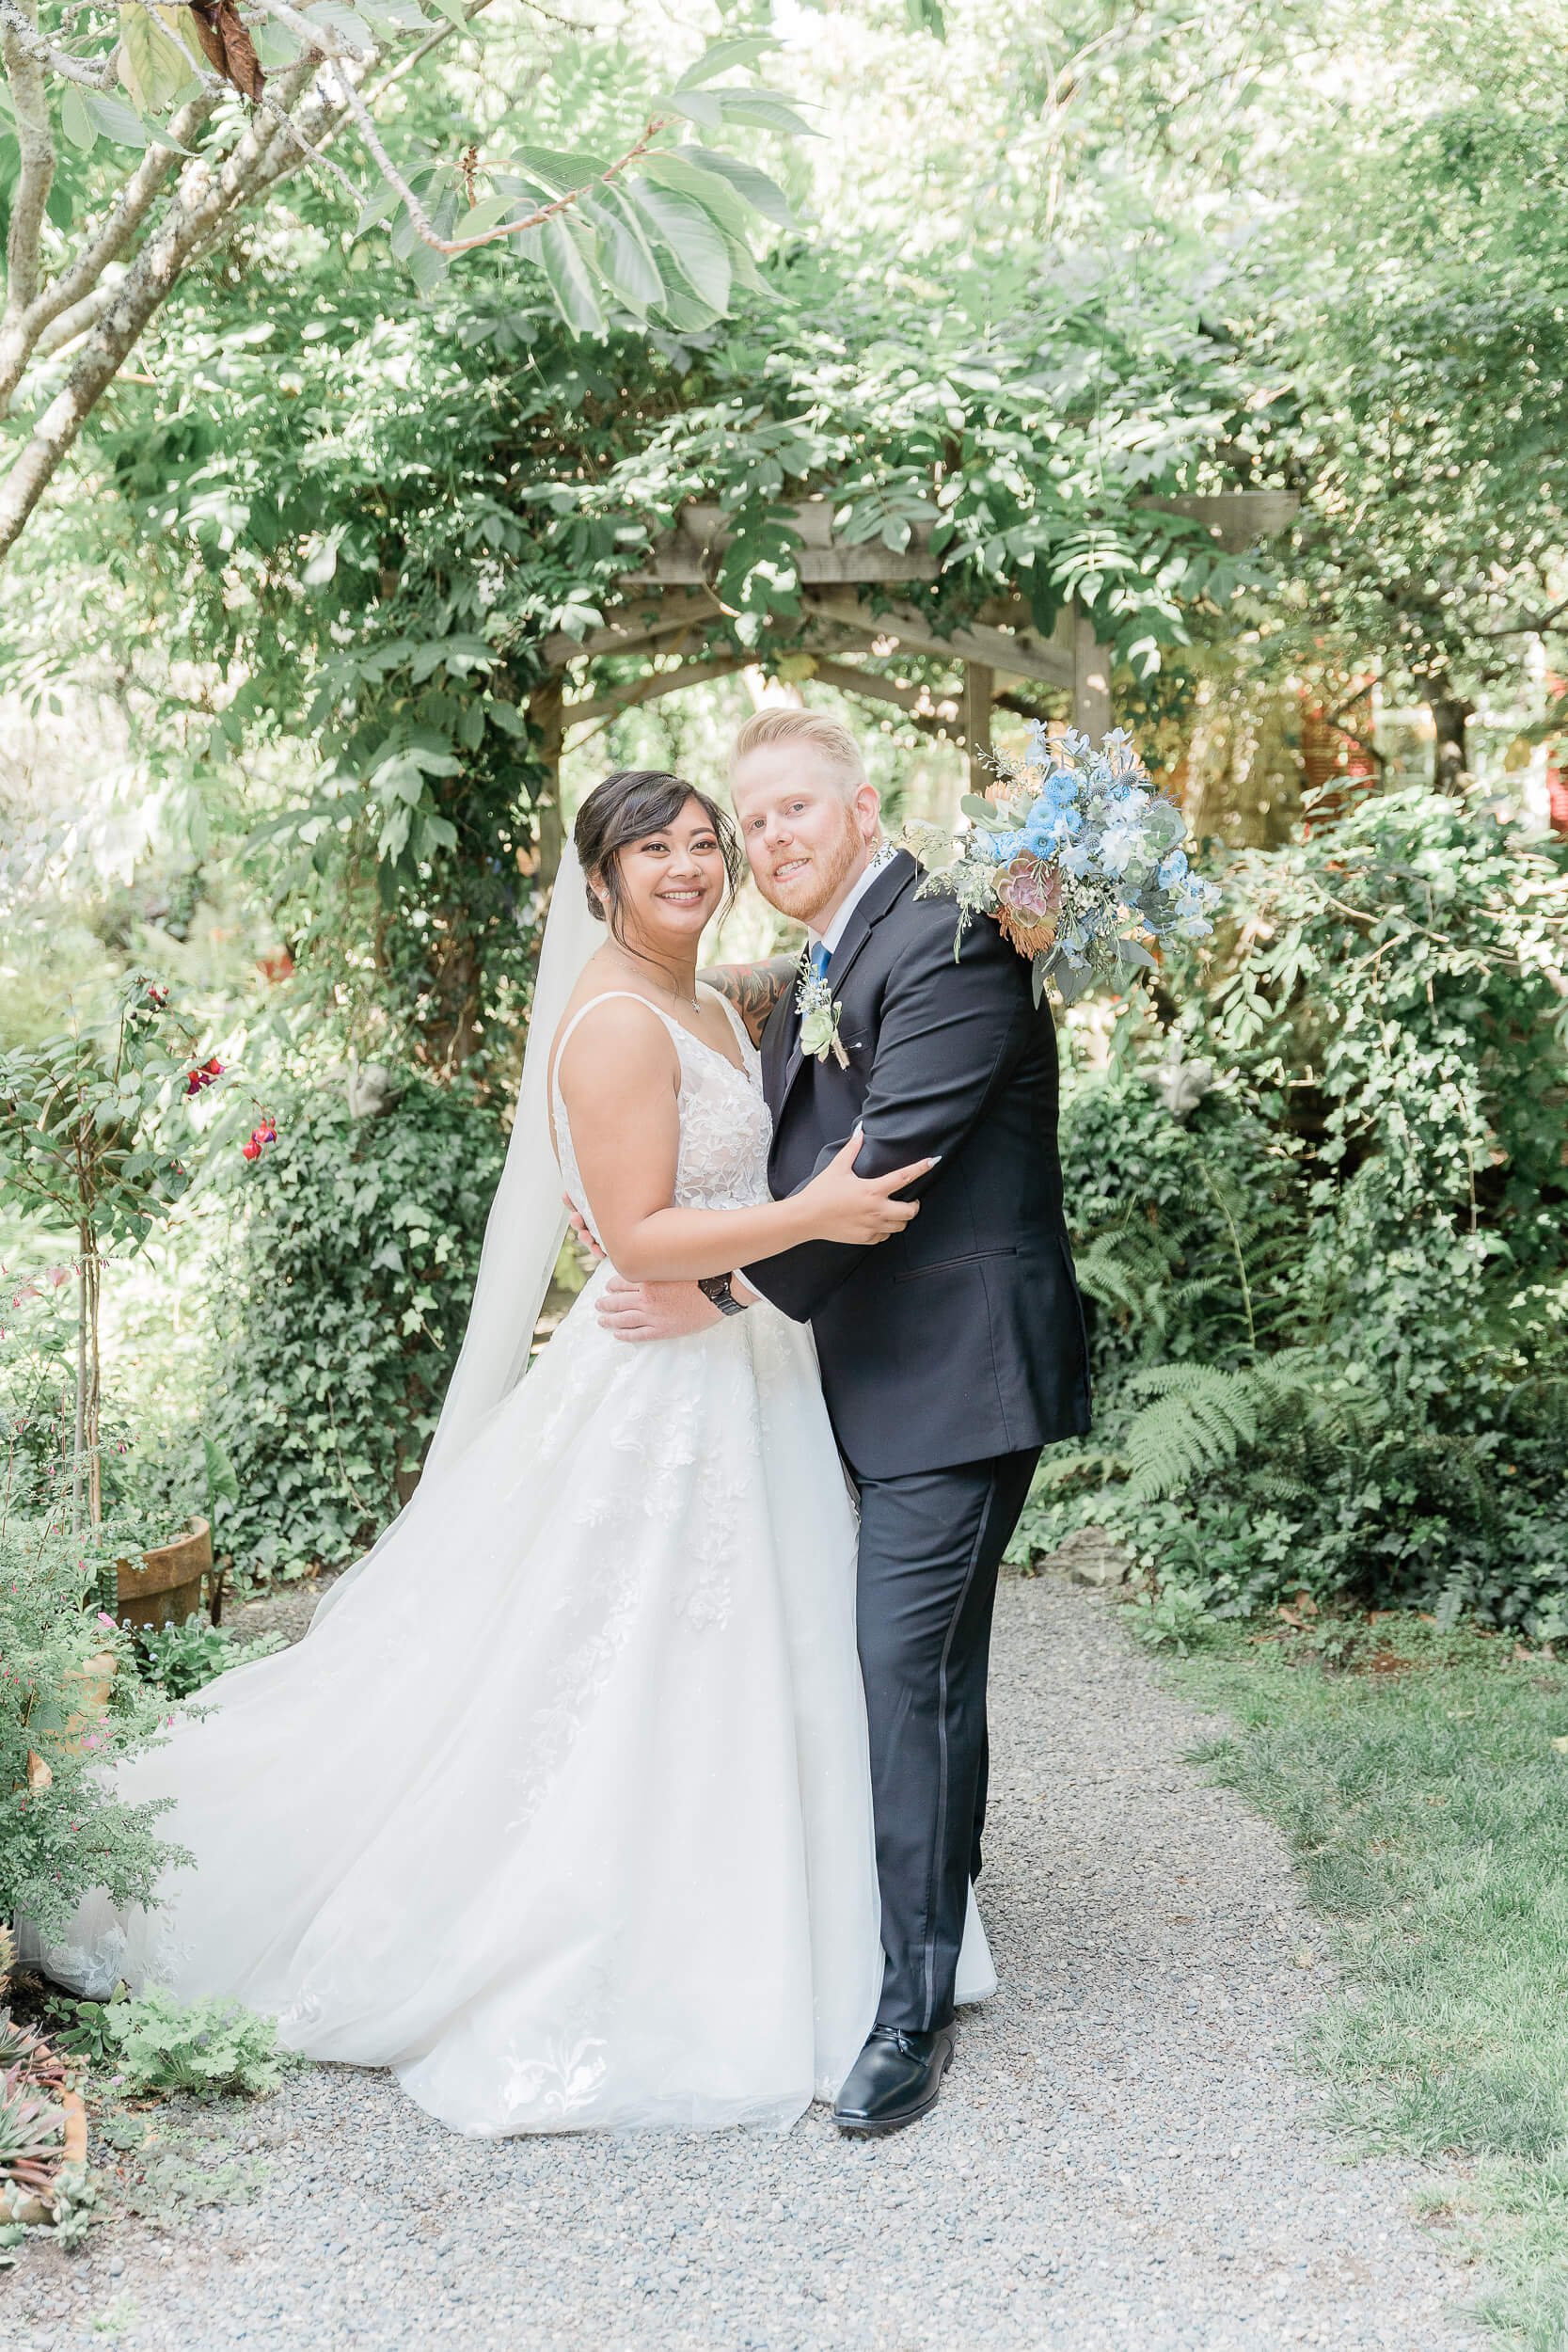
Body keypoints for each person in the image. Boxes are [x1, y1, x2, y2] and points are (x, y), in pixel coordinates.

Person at [20, 766, 997, 2139]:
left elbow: (811, 1009)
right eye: (655, 851)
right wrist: (817, 1211)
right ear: (595, 881)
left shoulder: (717, 996)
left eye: (708, 844)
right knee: (616, 1650)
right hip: (666, 1373)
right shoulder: (606, 1022)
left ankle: (774, 1894)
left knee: (754, 1648)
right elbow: (642, 1235)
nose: (694, 867)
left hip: (750, 1371)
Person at [594, 708, 1092, 2135]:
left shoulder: (947, 936)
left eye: (793, 811)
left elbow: (888, 1168)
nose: (771, 840)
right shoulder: (840, 950)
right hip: (877, 1373)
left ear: (864, 808)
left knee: (901, 1667)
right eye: (753, 823)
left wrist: (724, 1292)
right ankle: (948, 1887)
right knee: (932, 1666)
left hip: (955, 1370)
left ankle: (909, 2011)